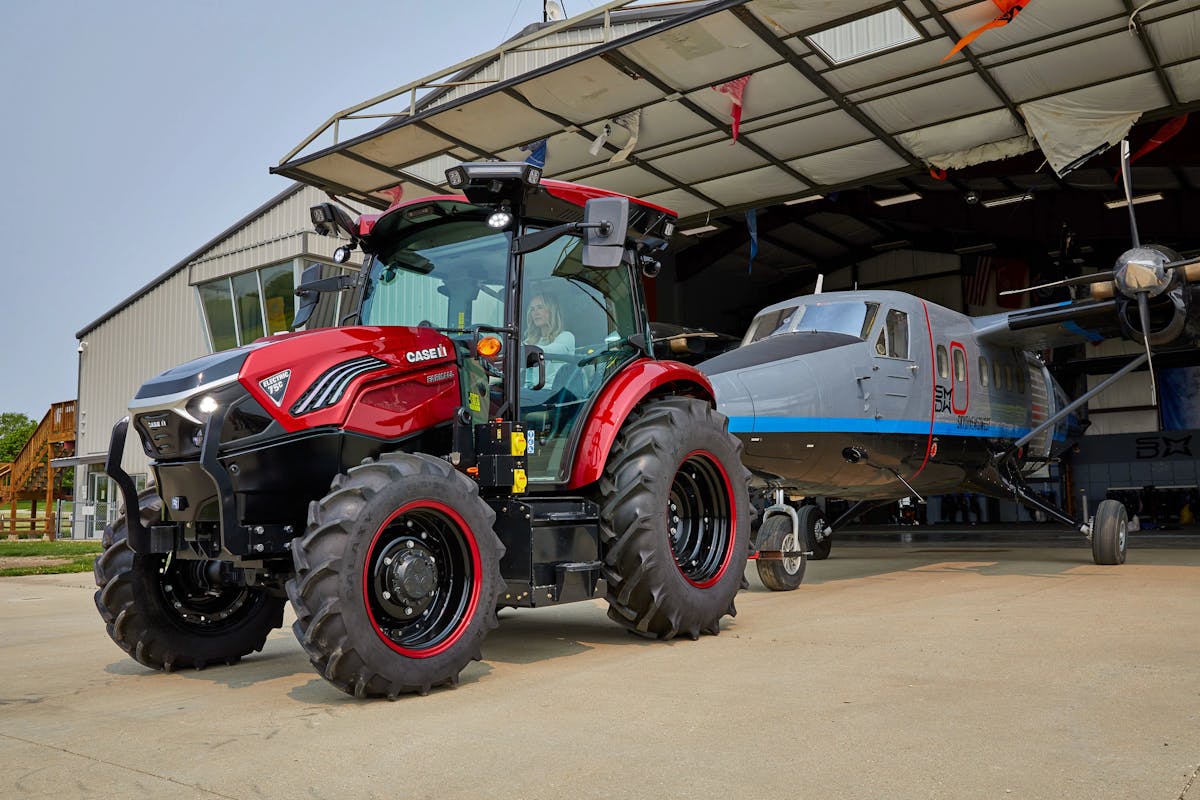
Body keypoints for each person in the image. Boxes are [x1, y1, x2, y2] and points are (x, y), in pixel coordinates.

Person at [524, 292, 575, 386]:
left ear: (552, 310)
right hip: (528, 393)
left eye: (540, 307)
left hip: (555, 395)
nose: (536, 313)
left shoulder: (566, 337)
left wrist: (521, 350)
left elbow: (549, 350)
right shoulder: (529, 341)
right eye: (532, 309)